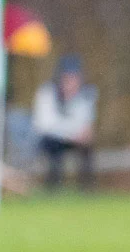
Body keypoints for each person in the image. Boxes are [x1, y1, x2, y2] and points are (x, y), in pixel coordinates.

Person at [32, 55, 96, 192]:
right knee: (55, 150)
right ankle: (53, 188)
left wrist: (82, 134)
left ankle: (86, 189)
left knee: (87, 148)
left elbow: (85, 123)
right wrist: (70, 134)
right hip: (49, 140)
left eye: (75, 79)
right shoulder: (47, 93)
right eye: (68, 79)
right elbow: (44, 125)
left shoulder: (85, 95)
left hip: (73, 139)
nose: (72, 83)